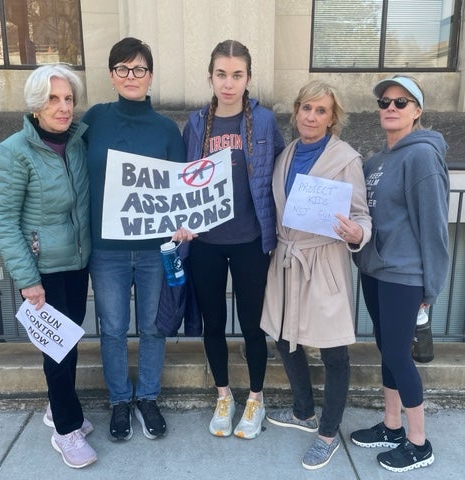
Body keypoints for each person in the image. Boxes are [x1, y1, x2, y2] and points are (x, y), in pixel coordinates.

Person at [173, 40, 285, 439]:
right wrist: (182, 223)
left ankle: (255, 397)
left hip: (251, 240)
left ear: (248, 78)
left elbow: (281, 173)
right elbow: (184, 180)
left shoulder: (266, 122)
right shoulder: (197, 123)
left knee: (254, 326)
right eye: (221, 74)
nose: (229, 83)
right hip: (205, 242)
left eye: (237, 75)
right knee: (213, 323)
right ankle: (225, 395)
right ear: (211, 76)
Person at [260, 80, 371, 470]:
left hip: (322, 262)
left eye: (321, 110)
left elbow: (360, 215)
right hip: (288, 259)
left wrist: (358, 234)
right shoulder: (286, 154)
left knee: (332, 350)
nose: (311, 116)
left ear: (332, 117)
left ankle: (328, 433)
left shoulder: (346, 159)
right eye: (306, 108)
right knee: (283, 339)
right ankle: (303, 411)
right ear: (296, 111)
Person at [0, 64, 95, 469]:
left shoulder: (78, 144)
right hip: (43, 270)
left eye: (68, 99)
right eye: (54, 99)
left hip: (77, 261)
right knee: (59, 352)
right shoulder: (13, 152)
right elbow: (3, 220)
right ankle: (66, 429)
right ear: (36, 104)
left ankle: (58, 406)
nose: (63, 107)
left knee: (68, 342)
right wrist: (28, 281)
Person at [82, 37, 186, 442]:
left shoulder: (165, 129)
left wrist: (183, 224)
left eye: (139, 69)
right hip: (106, 249)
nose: (131, 76)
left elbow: (180, 190)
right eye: (123, 69)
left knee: (152, 328)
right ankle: (119, 401)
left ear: (150, 77)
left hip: (153, 247)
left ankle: (147, 397)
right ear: (111, 76)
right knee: (112, 328)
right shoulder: (93, 120)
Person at [351, 75, 449, 472]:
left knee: (398, 353)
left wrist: (432, 286)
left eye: (401, 102)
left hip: (405, 274)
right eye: (385, 102)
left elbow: (435, 224)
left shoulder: (422, 156)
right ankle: (392, 425)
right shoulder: (376, 161)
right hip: (375, 269)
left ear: (417, 111)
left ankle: (418, 442)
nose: (390, 108)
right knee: (386, 350)